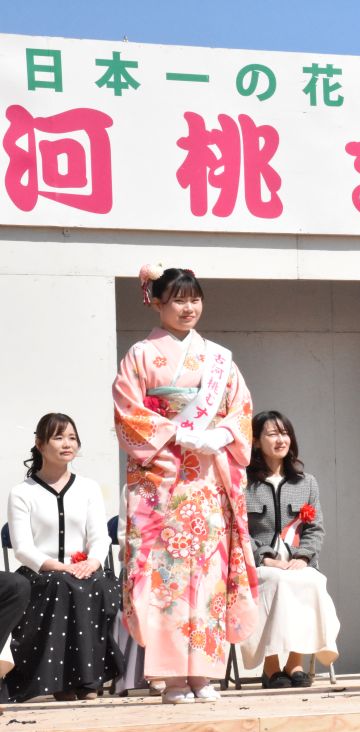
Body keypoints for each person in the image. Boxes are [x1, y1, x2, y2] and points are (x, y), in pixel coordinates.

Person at [112, 265, 258, 704]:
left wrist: (222, 434)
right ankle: (174, 676)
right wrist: (176, 433)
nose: (188, 307)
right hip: (163, 485)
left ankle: (205, 672)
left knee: (209, 574)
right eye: (177, 299)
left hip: (208, 480)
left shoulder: (218, 358)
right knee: (167, 579)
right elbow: (128, 411)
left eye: (194, 298)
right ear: (156, 302)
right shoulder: (140, 355)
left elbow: (241, 410)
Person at [4, 413, 123, 702]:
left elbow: (99, 538)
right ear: (40, 444)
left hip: (84, 569)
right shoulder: (22, 493)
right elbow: (22, 547)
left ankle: (87, 681)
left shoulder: (88, 488)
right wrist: (58, 566)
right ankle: (62, 684)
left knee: (97, 585)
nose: (67, 444)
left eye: (72, 437)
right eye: (58, 437)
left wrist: (92, 563)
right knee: (61, 584)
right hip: (41, 573)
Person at [242, 411, 340, 688]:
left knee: (310, 581)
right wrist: (264, 558)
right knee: (274, 582)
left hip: (296, 562)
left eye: (284, 433)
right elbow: (238, 531)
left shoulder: (305, 482)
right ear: (257, 442)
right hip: (261, 565)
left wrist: (303, 557)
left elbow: (315, 529)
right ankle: (271, 666)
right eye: (272, 434)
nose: (280, 439)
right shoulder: (243, 482)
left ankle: (295, 661)